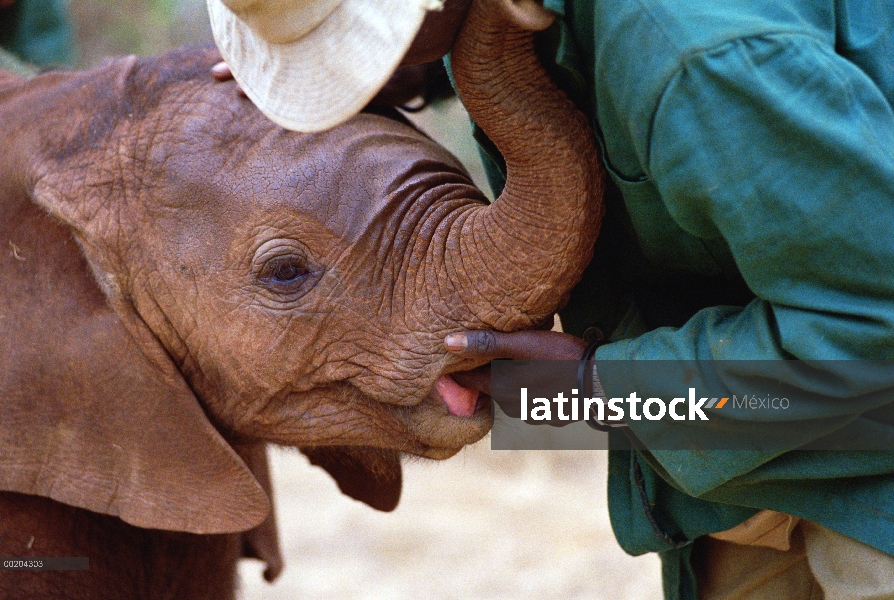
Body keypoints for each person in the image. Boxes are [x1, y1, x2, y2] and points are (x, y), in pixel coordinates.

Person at [206, 0, 894, 597]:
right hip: (739, 461)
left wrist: (601, 396)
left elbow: (874, 325)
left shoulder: (698, 60)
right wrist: (416, 64)